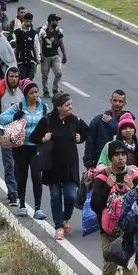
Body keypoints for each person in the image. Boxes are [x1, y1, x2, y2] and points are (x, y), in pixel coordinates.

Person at [89, 140, 138, 275]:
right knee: (110, 263)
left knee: (129, 266)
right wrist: (107, 186)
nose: (120, 158)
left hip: (129, 230)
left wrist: (133, 188)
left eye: (123, 154)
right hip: (108, 230)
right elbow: (95, 205)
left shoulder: (134, 176)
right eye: (117, 155)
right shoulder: (102, 177)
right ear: (110, 157)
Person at [30, 93, 90, 240]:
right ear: (58, 107)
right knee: (56, 196)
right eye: (67, 105)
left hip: (70, 166)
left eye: (71, 104)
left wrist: (79, 138)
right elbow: (33, 137)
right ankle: (58, 227)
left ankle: (66, 218)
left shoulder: (74, 120)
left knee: (70, 196)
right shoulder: (48, 120)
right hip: (53, 166)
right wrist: (43, 138)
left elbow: (87, 131)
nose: (71, 107)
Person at [0, 79, 50, 219]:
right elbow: (1, 119)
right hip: (21, 146)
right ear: (26, 94)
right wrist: (14, 116)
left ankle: (38, 208)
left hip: (37, 147)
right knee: (22, 176)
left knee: (37, 177)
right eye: (32, 93)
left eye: (36, 92)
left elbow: (51, 121)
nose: (35, 95)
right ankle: (22, 205)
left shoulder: (43, 107)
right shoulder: (19, 107)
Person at [0, 67, 24, 206]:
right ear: (7, 77)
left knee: (19, 165)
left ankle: (17, 189)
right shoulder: (0, 92)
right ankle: (13, 193)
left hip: (20, 135)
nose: (13, 79)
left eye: (16, 76)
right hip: (6, 134)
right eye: (11, 76)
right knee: (9, 164)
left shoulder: (22, 93)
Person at [83, 90, 131, 173]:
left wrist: (111, 123)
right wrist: (89, 165)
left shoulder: (128, 122)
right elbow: (90, 143)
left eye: (120, 101)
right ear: (110, 101)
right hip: (100, 166)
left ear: (124, 103)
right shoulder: (98, 120)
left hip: (122, 168)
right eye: (115, 100)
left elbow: (130, 141)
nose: (117, 104)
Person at [36, 13, 67, 98]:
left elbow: (61, 42)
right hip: (45, 56)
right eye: (56, 21)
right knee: (45, 74)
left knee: (59, 73)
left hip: (55, 55)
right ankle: (45, 90)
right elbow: (40, 43)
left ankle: (55, 88)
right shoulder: (43, 31)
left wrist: (64, 54)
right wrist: (41, 55)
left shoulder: (58, 31)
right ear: (51, 21)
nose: (57, 22)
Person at [13, 12, 39, 81]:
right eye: (27, 21)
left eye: (30, 21)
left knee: (29, 80)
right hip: (20, 60)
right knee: (22, 79)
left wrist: (38, 59)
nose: (28, 23)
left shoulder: (34, 33)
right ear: (24, 20)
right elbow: (14, 47)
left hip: (31, 60)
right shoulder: (17, 32)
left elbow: (36, 47)